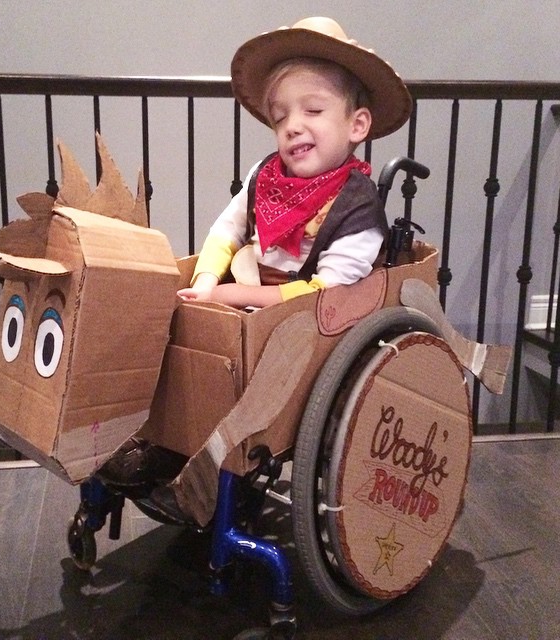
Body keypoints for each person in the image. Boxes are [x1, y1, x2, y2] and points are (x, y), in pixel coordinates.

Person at [97, 16, 413, 518]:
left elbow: (320, 294)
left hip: (310, 317)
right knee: (180, 322)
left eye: (313, 109)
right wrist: (204, 281)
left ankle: (209, 454)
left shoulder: (359, 213)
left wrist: (225, 298)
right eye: (280, 114)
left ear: (357, 125)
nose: (292, 125)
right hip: (248, 293)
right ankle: (165, 439)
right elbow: (227, 230)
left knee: (232, 344)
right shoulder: (264, 177)